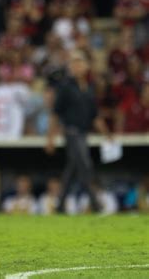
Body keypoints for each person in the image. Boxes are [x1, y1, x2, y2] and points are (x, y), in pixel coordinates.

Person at [45, 50, 110, 213]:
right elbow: (55, 113)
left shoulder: (89, 89)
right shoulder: (65, 87)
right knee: (85, 165)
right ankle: (96, 204)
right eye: (73, 63)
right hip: (71, 132)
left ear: (86, 66)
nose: (76, 66)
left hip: (83, 133)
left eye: (79, 62)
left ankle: (60, 205)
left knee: (73, 169)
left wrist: (107, 134)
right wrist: (50, 138)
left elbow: (95, 116)